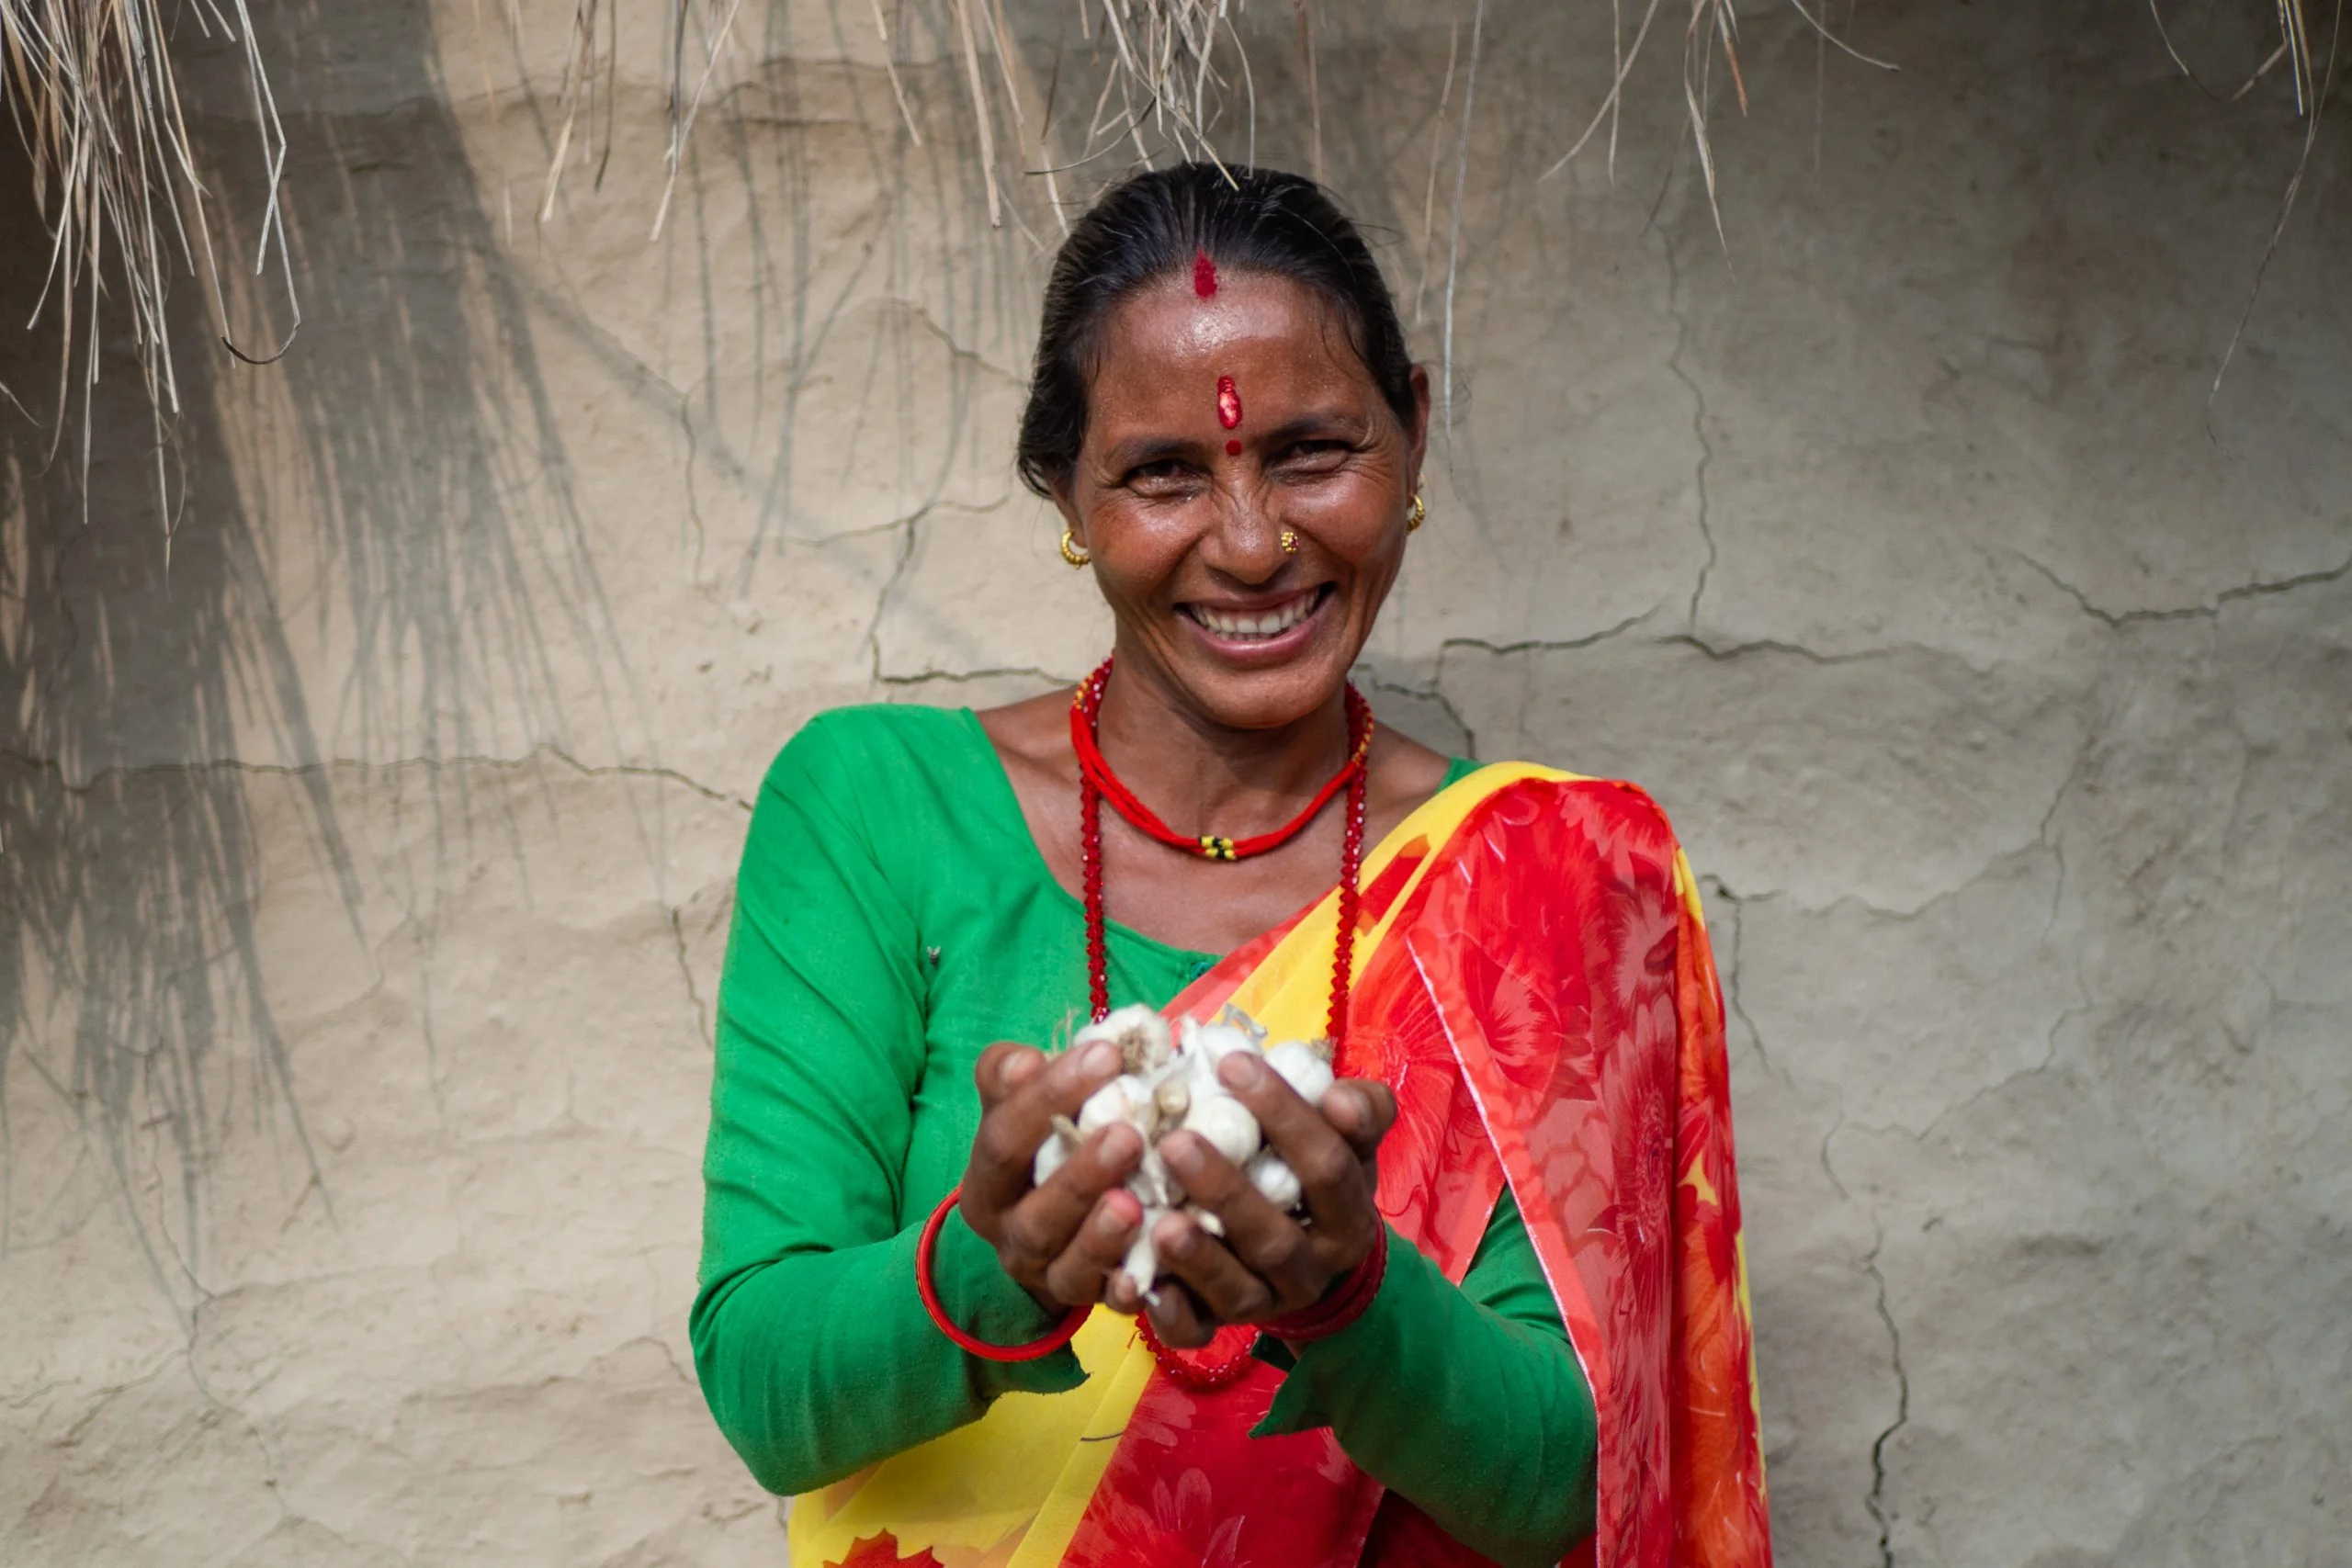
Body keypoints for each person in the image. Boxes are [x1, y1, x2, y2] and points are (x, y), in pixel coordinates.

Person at [691, 163, 1772, 1568]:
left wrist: (1351, 1295)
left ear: (1415, 434)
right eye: (1163, 472)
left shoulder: (1539, 879)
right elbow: (765, 1381)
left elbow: (1567, 1481)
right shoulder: (875, 810)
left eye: (1314, 450)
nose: (1255, 544)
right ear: (1063, 490)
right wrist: (992, 1262)